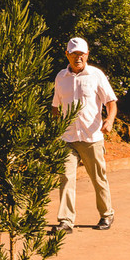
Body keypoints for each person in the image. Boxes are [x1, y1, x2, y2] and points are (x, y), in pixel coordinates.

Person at [52, 36, 117, 232]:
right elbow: (55, 107)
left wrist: (110, 120)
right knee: (65, 178)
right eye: (74, 54)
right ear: (67, 55)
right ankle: (66, 221)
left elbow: (111, 102)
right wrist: (56, 129)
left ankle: (106, 215)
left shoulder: (96, 75)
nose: (77, 57)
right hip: (68, 138)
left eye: (81, 54)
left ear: (87, 54)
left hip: (91, 137)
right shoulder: (60, 78)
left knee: (98, 178)